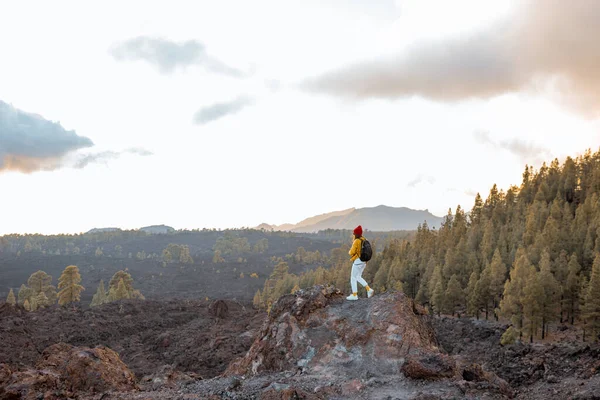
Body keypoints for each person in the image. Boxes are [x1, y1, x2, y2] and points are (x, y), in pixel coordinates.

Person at [346, 225, 374, 301]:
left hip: (358, 261)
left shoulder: (356, 241)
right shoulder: (364, 239)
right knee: (358, 276)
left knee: (353, 277)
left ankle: (354, 295)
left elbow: (352, 252)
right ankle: (369, 289)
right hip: (364, 262)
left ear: (356, 234)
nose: (353, 235)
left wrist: (349, 251)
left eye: (354, 233)